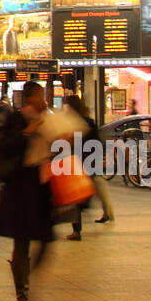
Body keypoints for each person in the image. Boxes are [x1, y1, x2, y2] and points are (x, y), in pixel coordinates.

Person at [0, 80, 73, 301]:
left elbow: (58, 150)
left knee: (47, 241)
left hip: (42, 187)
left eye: (45, 96)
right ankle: (22, 298)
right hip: (20, 187)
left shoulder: (50, 120)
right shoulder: (16, 120)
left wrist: (64, 141)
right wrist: (28, 131)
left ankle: (29, 280)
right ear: (29, 99)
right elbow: (4, 148)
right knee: (22, 243)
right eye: (40, 96)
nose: (44, 100)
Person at [62, 93, 114, 236]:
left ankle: (77, 229)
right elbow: (97, 142)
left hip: (76, 162)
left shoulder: (71, 122)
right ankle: (93, 208)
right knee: (88, 189)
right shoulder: (89, 121)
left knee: (76, 196)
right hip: (89, 161)